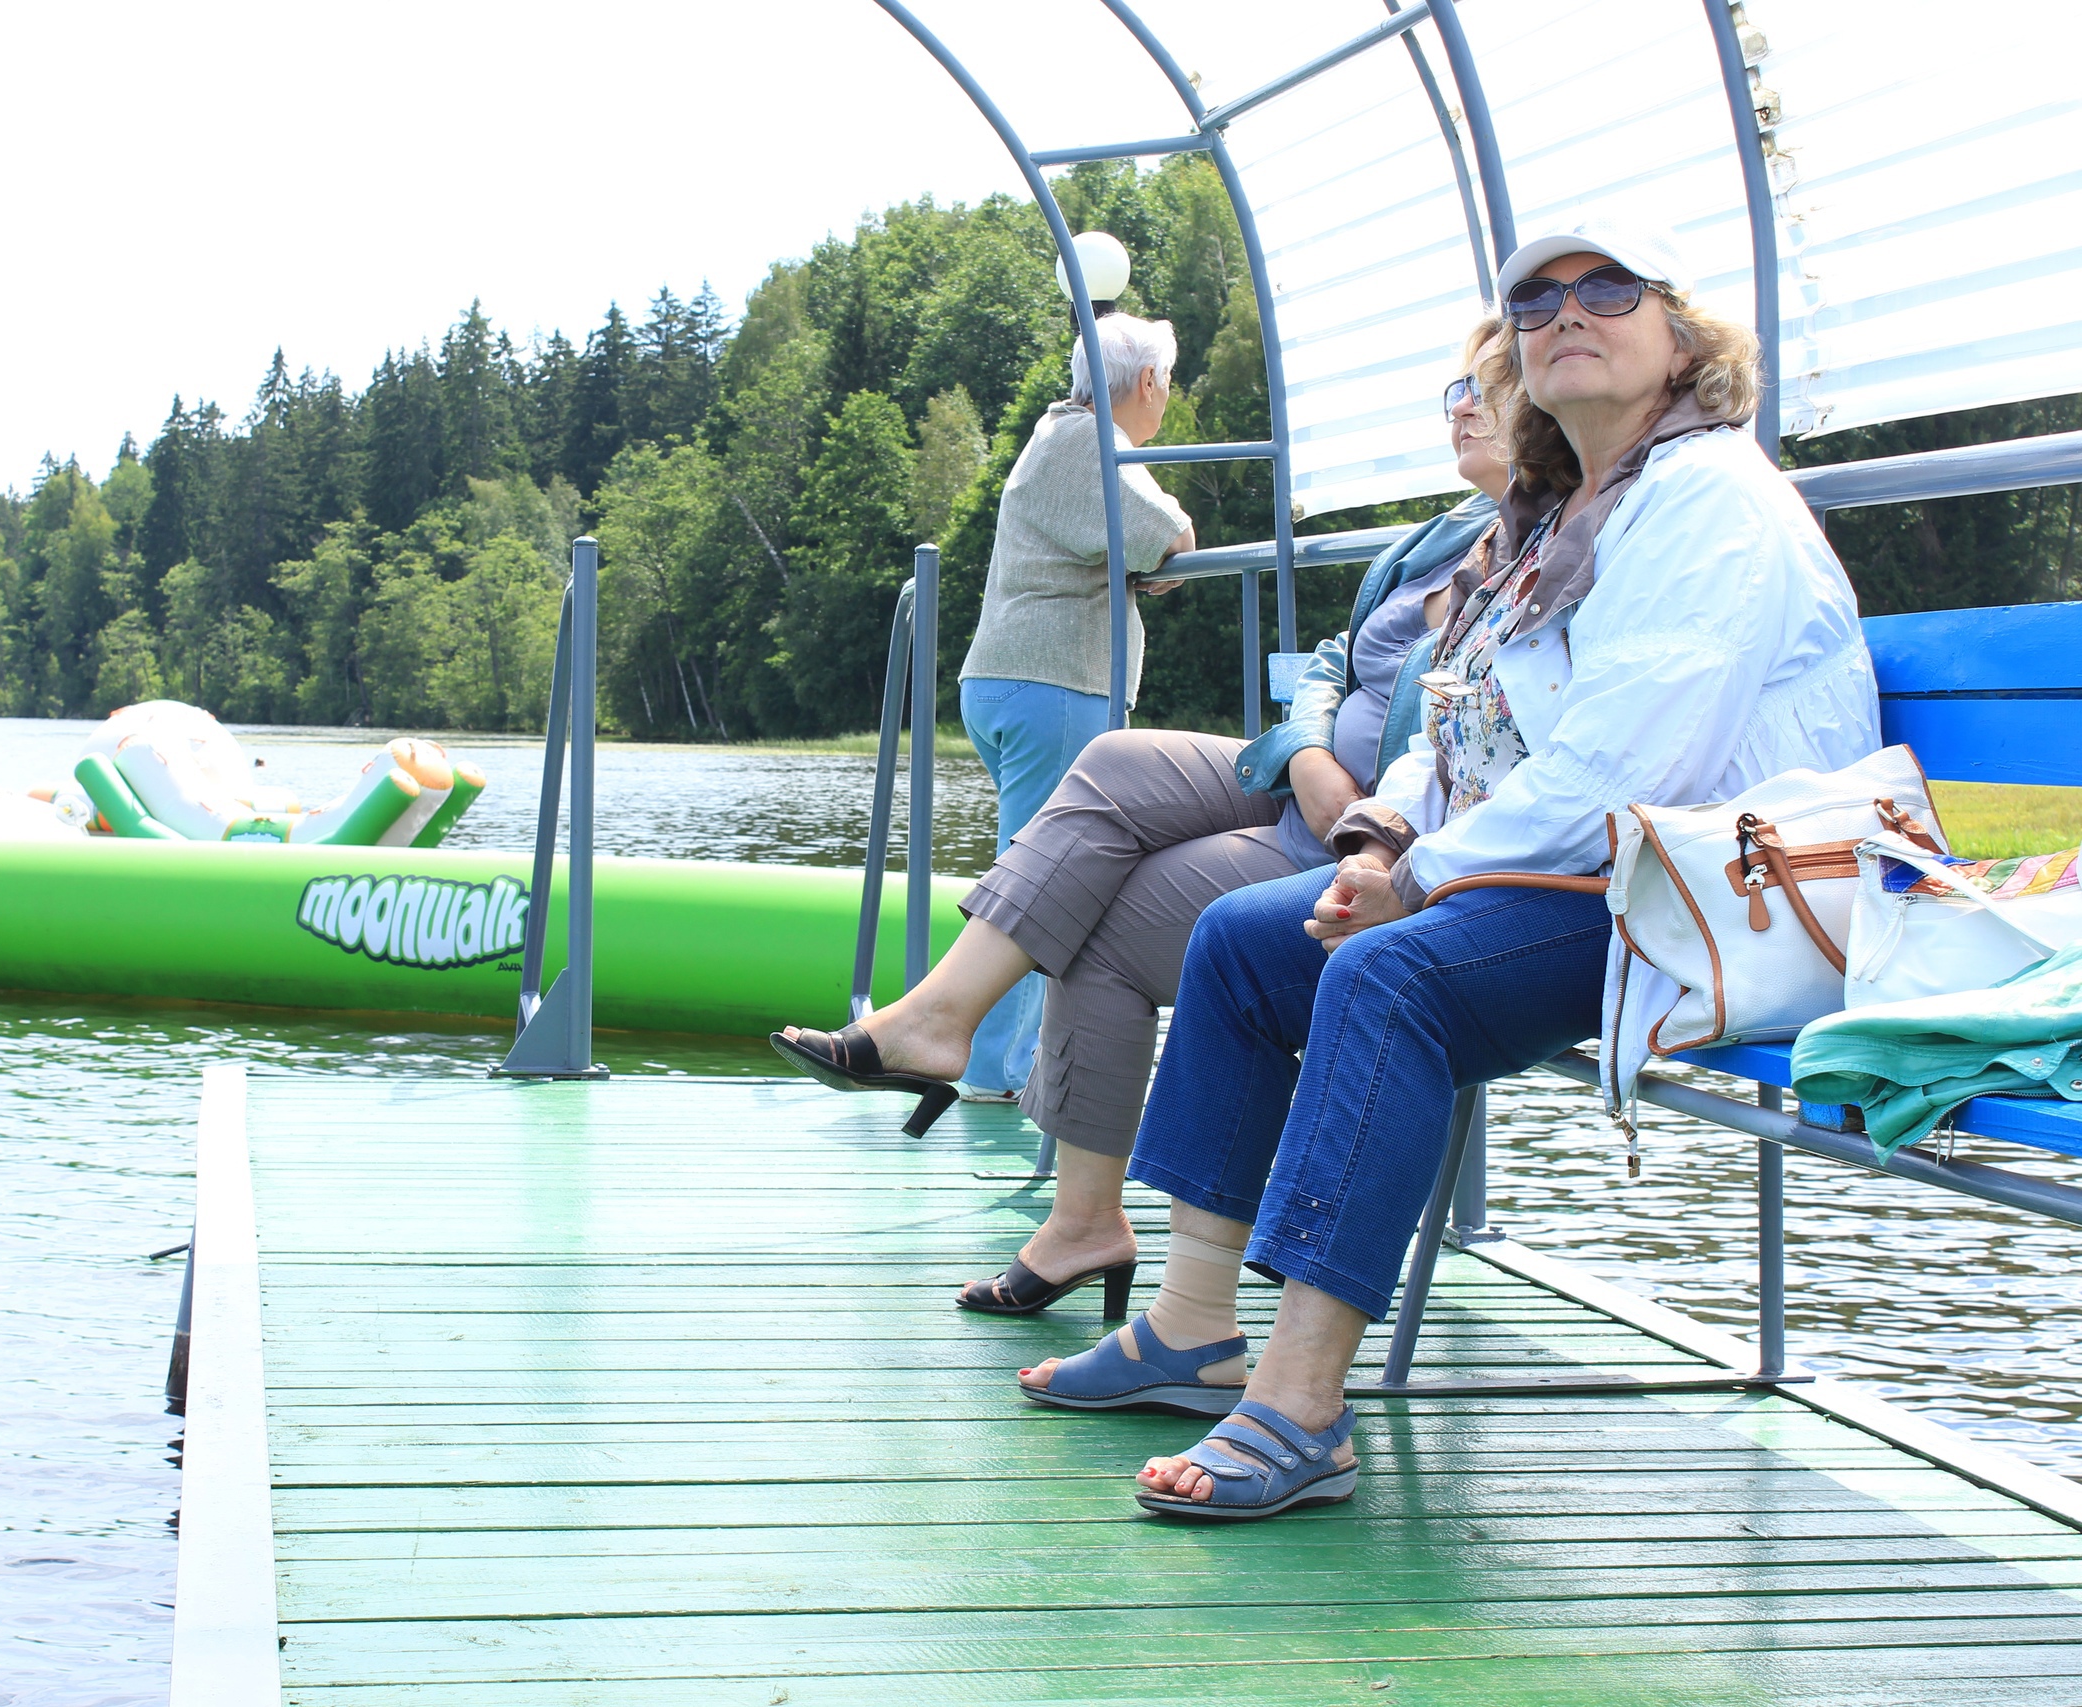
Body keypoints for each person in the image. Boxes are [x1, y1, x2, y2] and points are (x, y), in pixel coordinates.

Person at [1019, 220, 1879, 1523]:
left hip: (1707, 899)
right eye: (1535, 301)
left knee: (1386, 977)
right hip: (1593, 878)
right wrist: (1378, 839)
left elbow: (1623, 769)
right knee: (1245, 940)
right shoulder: (1558, 516)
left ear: (1682, 339)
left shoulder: (1708, 499)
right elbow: (1460, 726)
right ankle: (1193, 1327)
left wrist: (1420, 884)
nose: (1566, 312)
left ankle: (1302, 1402)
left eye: (1608, 288)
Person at [773, 316, 1513, 1320]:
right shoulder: (1440, 537)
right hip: (1304, 781)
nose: (1461, 408)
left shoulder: (1547, 545)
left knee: (1102, 915)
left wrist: (1370, 817)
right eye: (1454, 391)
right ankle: (940, 1022)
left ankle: (1076, 1211)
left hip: (1380, 831)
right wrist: (1304, 750)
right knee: (1113, 763)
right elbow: (1332, 661)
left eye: (1484, 390)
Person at [955, 311, 1193, 1100]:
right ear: (1148, 381)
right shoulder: (1094, 444)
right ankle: (997, 1065)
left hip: (1013, 678)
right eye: (1168, 379)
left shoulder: (1057, 436)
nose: (1168, 394)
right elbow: (1167, 536)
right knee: (1042, 884)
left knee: (1034, 868)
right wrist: (1165, 550)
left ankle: (1007, 1057)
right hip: (1057, 683)